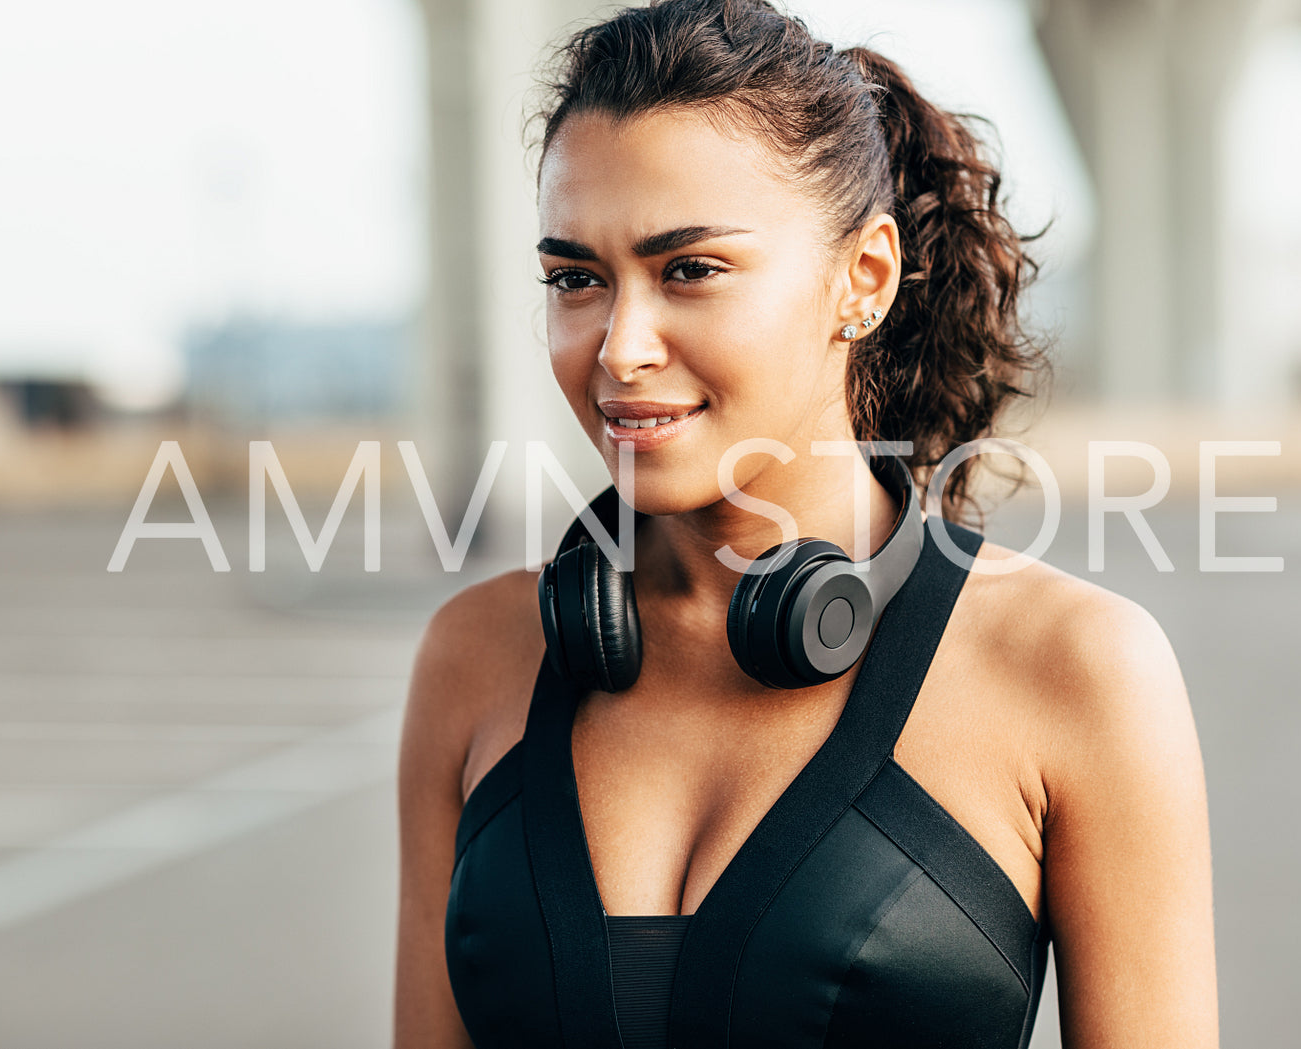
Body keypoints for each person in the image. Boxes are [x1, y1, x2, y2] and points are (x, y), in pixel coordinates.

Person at [393, 1, 1217, 1047]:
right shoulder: (476, 658)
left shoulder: (1074, 669)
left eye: (688, 269)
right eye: (575, 279)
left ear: (861, 279)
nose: (619, 347)